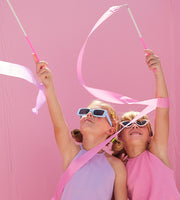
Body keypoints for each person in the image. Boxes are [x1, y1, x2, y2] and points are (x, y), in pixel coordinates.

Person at [32, 54, 127, 200]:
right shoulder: (72, 152)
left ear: (111, 130)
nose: (89, 114)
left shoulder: (116, 165)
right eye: (85, 112)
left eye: (97, 112)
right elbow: (59, 124)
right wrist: (49, 86)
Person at [112, 49, 180, 200]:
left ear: (150, 136)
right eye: (127, 123)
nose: (135, 126)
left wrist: (158, 73)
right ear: (120, 136)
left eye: (142, 122)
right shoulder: (121, 169)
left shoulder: (157, 152)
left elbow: (162, 110)